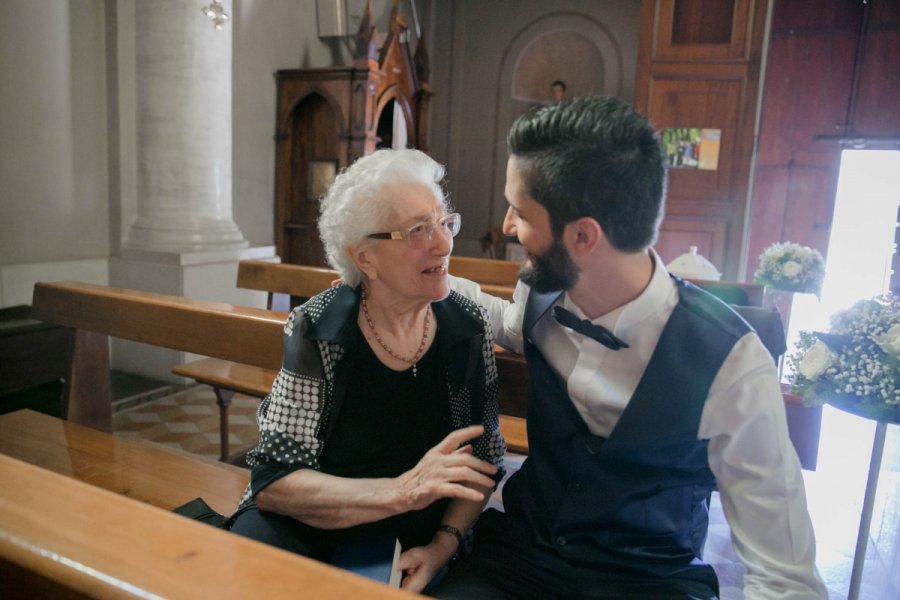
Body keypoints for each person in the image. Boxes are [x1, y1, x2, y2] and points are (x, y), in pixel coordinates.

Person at [440, 96, 827, 599]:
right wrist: (424, 279)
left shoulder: (731, 364)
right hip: (520, 558)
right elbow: (508, 325)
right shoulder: (539, 292)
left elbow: (785, 575)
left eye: (519, 211)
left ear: (583, 236)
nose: (508, 226)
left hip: (649, 579)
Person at [229, 148, 506, 594]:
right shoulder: (319, 327)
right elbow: (274, 481)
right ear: (365, 258)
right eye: (418, 230)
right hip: (313, 521)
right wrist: (403, 491)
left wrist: (441, 546)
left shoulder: (467, 330)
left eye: (443, 222)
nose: (444, 243)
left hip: (418, 535)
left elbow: (485, 459)